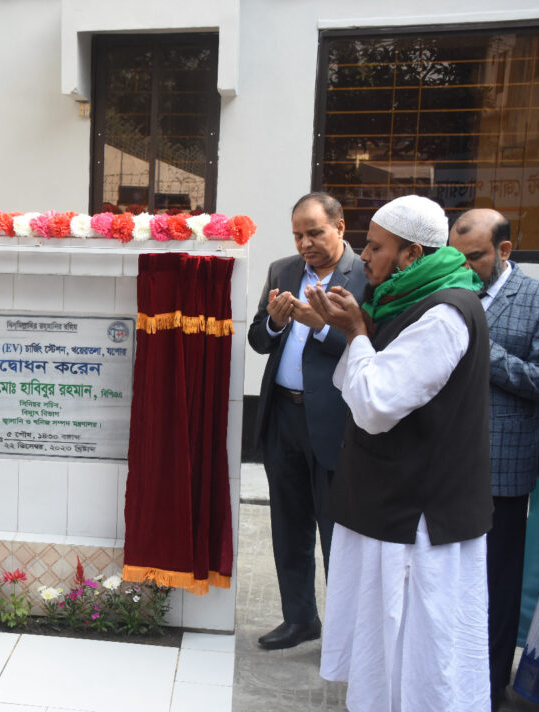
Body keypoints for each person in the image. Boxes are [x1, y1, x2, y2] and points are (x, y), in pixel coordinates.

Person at [307, 194, 492, 712]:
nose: (364, 256)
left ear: (412, 254)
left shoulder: (444, 314)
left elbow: (376, 404)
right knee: (384, 649)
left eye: (376, 246)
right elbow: (363, 384)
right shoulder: (405, 301)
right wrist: (354, 330)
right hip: (388, 505)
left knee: (417, 653)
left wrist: (355, 332)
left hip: (418, 520)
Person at [246, 192, 367, 650]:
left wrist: (320, 325)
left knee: (338, 533)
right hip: (282, 415)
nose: (305, 244)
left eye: (314, 233)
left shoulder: (366, 275)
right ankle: (299, 619)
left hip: (336, 422)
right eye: (298, 235)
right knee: (288, 524)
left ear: (340, 227)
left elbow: (369, 345)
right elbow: (259, 339)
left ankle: (344, 635)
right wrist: (274, 324)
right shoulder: (283, 271)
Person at [449, 208, 539, 710]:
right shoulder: (447, 292)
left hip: (503, 467)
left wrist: (484, 349)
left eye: (475, 257)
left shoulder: (535, 298)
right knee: (450, 580)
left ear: (504, 251)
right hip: (446, 462)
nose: (463, 267)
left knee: (496, 582)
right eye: (456, 256)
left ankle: (486, 687)